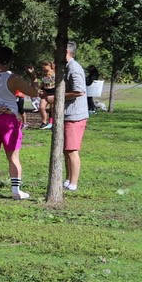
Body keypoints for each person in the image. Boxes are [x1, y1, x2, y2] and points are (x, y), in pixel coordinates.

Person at [0, 46, 39, 200]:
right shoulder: (14, 78)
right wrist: (33, 76)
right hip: (8, 120)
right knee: (13, 157)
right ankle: (16, 191)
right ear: (10, 61)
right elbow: (34, 92)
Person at [62, 41, 89, 191]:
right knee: (66, 149)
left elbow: (79, 91)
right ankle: (67, 179)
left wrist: (58, 97)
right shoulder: (66, 67)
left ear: (66, 52)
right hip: (67, 115)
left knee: (72, 150)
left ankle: (73, 183)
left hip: (75, 116)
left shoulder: (74, 68)